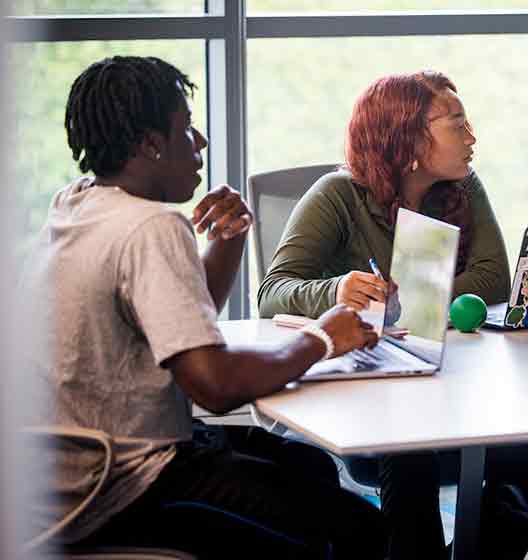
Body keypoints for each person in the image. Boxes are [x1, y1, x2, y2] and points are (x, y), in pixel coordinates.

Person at [24, 56, 386, 558]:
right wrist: (322, 339)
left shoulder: (76, 203)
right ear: (151, 145)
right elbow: (214, 386)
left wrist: (229, 238)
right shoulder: (150, 227)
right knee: (358, 529)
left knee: (313, 469)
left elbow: (184, 323)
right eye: (187, 129)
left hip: (60, 480)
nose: (201, 144)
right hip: (125, 488)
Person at [257, 71, 528, 560]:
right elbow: (274, 292)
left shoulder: (462, 187)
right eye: (457, 124)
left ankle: (493, 545)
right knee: (410, 449)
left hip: (450, 376)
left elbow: (492, 278)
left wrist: (416, 301)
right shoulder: (337, 195)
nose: (472, 137)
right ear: (408, 139)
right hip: (368, 390)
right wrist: (337, 290)